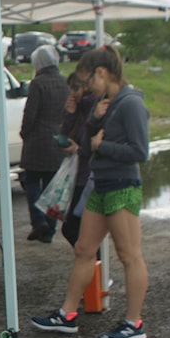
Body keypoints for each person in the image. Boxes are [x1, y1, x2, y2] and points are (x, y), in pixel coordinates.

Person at [31, 45, 150, 338]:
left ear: (102, 72)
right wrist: (95, 121)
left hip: (122, 187)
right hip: (100, 186)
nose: (87, 88)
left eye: (89, 80)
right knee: (84, 249)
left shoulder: (131, 103)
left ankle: (134, 323)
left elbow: (140, 151)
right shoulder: (104, 103)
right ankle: (67, 314)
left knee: (129, 256)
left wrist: (102, 147)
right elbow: (84, 146)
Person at [19, 44, 71, 243]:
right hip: (58, 141)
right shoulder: (65, 82)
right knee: (52, 187)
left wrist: (24, 132)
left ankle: (39, 221)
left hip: (37, 141)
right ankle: (50, 230)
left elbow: (30, 113)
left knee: (32, 183)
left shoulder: (38, 83)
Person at [59, 71, 99, 246]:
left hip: (87, 175)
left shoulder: (93, 108)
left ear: (85, 87)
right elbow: (66, 135)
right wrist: (70, 114)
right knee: (75, 227)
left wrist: (78, 149)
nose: (72, 93)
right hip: (78, 174)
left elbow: (91, 144)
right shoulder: (80, 110)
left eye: (75, 88)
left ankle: (92, 261)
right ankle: (90, 261)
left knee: (73, 226)